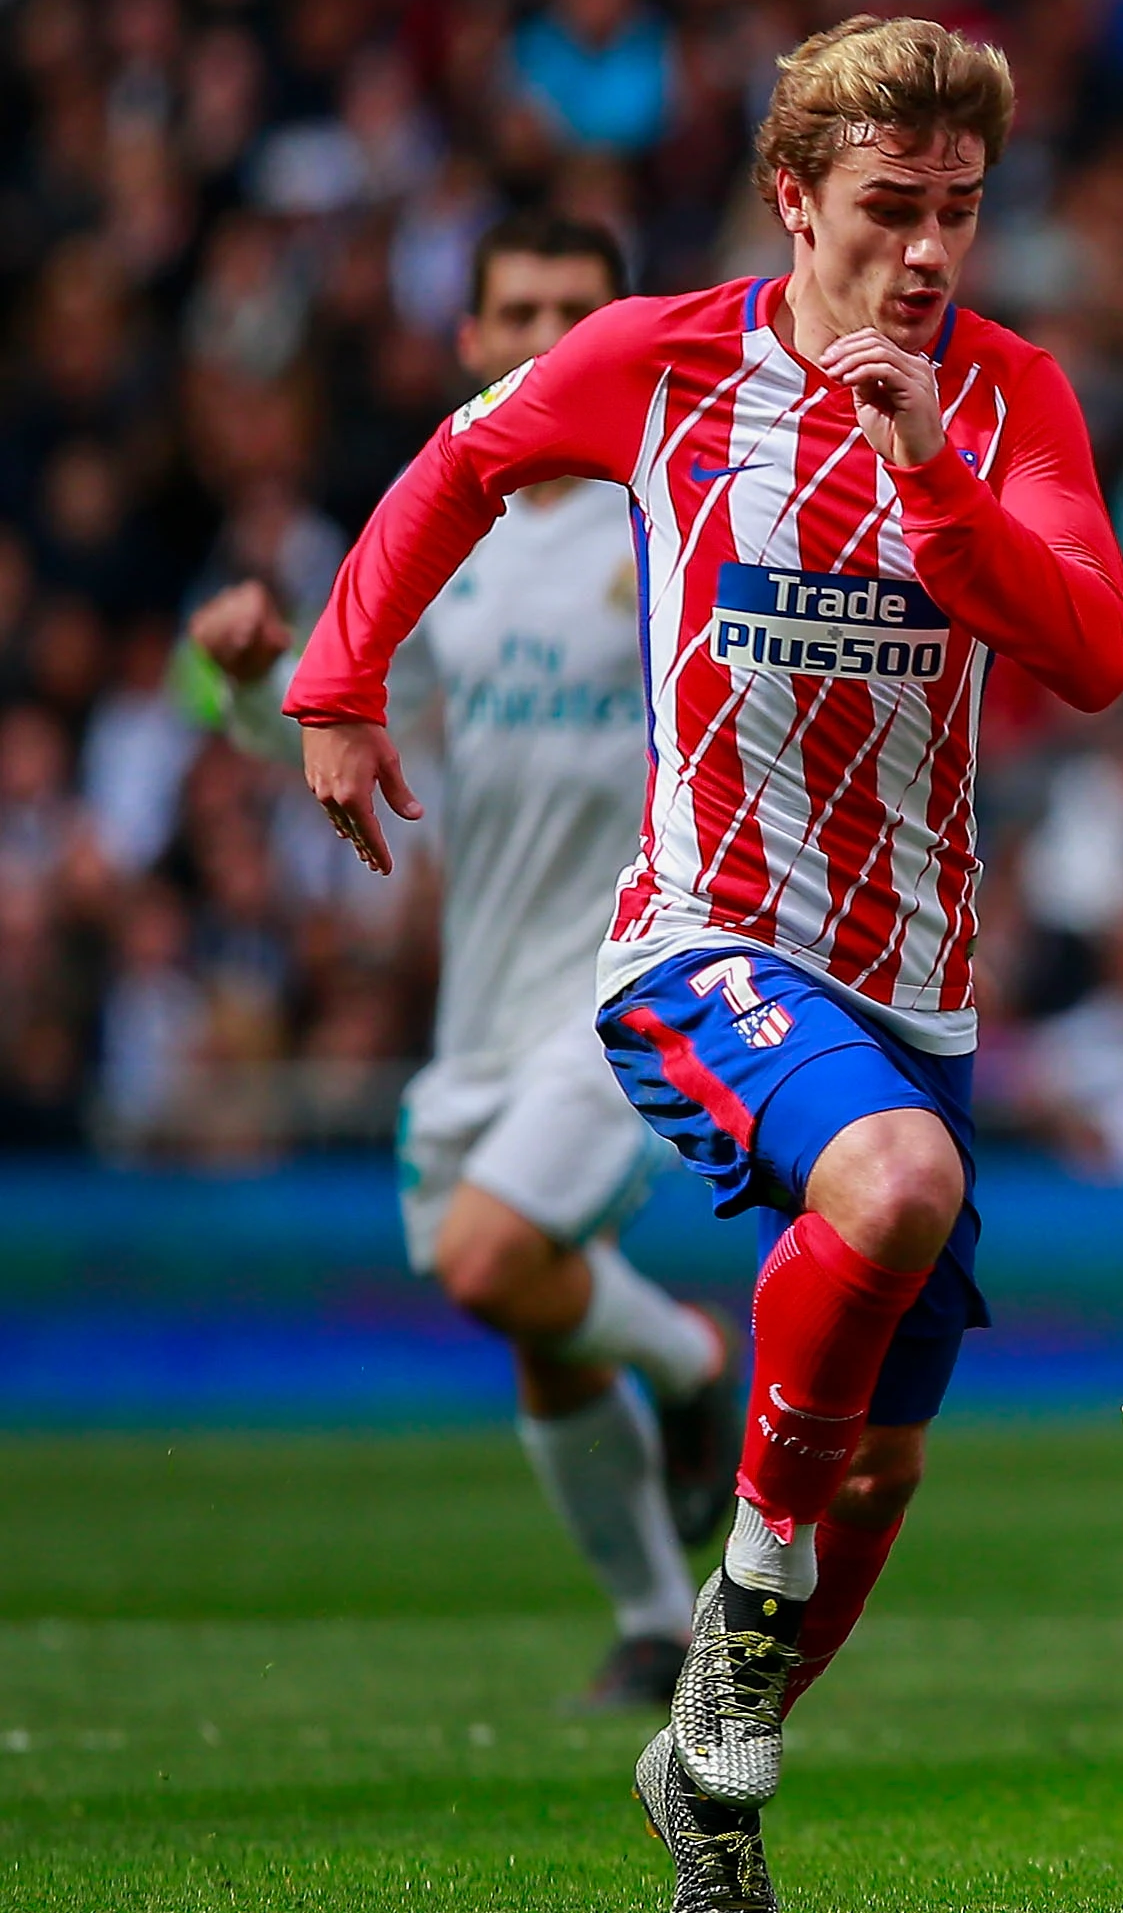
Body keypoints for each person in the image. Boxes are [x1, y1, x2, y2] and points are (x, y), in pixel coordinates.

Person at [283, 18, 1123, 1913]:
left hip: (918, 986)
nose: (929, 250)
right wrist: (337, 679)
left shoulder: (1006, 398)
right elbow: (452, 466)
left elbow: (1092, 647)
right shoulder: (660, 359)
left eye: (961, 211)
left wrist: (934, 477)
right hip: (706, 938)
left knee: (886, 1478)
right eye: (891, 208)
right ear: (793, 198)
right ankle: (735, 1615)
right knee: (891, 1187)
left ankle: (708, 1770)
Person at [190, 212, 741, 1713]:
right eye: (521, 310)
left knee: (497, 1253)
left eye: (580, 308)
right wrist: (256, 684)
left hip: (644, 979)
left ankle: (696, 1359)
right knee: (523, 1307)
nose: (550, 335)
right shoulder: (455, 535)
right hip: (486, 997)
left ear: (623, 332)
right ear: (473, 341)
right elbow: (342, 713)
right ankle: (649, 1621)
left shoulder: (679, 510)